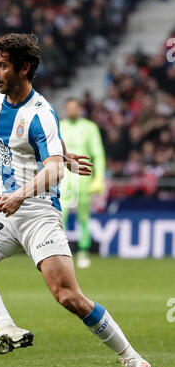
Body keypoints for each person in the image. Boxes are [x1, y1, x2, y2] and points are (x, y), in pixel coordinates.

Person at [0, 33, 153, 367]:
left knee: (68, 295)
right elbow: (36, 148)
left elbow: (53, 171)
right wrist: (60, 153)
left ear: (24, 68)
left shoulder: (40, 112)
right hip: (7, 211)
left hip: (38, 211)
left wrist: (39, 176)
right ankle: (7, 327)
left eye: (1, 66)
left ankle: (134, 358)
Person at [60, 98, 106, 269]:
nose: (71, 111)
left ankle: (84, 252)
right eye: (68, 108)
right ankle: (60, 252)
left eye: (74, 108)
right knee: (59, 214)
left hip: (83, 176)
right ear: (66, 109)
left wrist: (99, 177)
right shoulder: (59, 126)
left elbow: (98, 154)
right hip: (62, 177)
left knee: (84, 215)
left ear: (79, 109)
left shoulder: (89, 127)